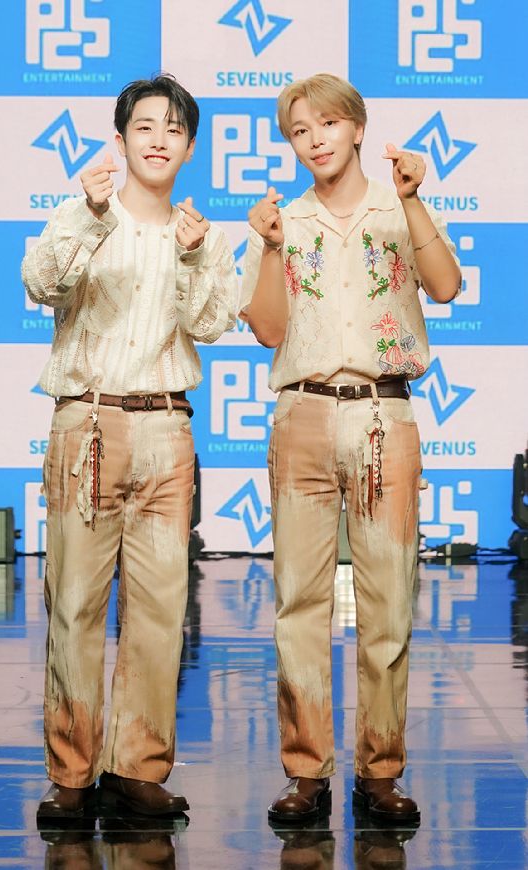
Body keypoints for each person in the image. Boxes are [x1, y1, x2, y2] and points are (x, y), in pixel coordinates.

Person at [240, 73, 461, 826]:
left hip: (381, 416)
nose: (315, 140)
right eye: (299, 131)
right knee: (297, 606)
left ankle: (380, 771)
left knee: (388, 603)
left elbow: (447, 285)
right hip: (302, 414)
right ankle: (307, 772)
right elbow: (269, 331)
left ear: (358, 128)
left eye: (328, 124)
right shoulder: (284, 219)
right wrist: (269, 248)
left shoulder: (398, 205)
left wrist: (414, 200)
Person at [22, 74, 238, 821]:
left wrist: (192, 257)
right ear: (120, 139)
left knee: (159, 609)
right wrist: (87, 216)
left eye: (174, 130)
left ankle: (137, 769)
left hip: (168, 429)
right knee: (75, 605)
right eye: (144, 126)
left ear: (190, 147)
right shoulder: (82, 212)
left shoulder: (203, 234)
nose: (158, 140)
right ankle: (72, 775)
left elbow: (210, 325)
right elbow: (40, 284)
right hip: (88, 425)